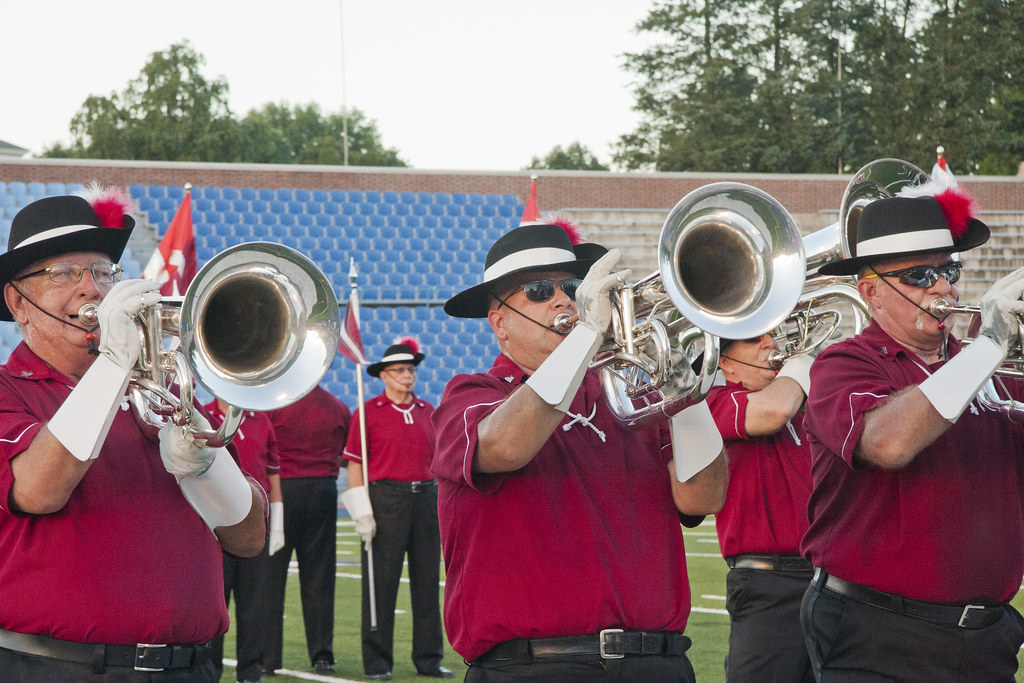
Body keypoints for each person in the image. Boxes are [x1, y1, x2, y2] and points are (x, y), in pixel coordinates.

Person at [432, 216, 729, 682]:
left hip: (656, 663)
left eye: (571, 285)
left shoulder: (629, 394)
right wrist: (587, 333)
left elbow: (703, 498)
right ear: (500, 323)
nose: (562, 299)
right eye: (537, 291)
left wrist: (683, 388)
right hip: (536, 667)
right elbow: (506, 446)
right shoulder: (471, 395)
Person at [0, 189, 266, 682]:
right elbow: (38, 490)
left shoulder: (166, 388)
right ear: (19, 302)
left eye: (103, 272)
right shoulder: (7, 389)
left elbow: (250, 538)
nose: (92, 289)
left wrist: (207, 469)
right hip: (56, 669)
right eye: (64, 273)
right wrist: (114, 363)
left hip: (190, 668)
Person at [800, 184, 1024, 681]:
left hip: (988, 638)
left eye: (949, 272)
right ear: (871, 291)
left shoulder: (992, 368)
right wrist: (990, 346)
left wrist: (990, 355)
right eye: (920, 276)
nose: (943, 289)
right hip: (878, 633)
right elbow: (888, 443)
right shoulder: (843, 364)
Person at [706, 333, 814, 682]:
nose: (771, 343)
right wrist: (799, 366)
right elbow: (774, 410)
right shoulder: (714, 400)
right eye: (754, 338)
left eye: (772, 334)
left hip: (833, 578)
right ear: (723, 361)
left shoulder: (805, 400)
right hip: (769, 583)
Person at [341, 337, 451, 681]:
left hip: (426, 499)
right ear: (384, 375)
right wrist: (361, 511)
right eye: (401, 370)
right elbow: (355, 464)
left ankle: (429, 659)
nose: (408, 375)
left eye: (411, 369)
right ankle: (377, 662)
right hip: (385, 499)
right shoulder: (367, 413)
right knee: (381, 583)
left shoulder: (428, 411)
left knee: (426, 583)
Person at [263, 383, 351, 675]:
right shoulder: (337, 406)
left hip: (283, 489)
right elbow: (344, 452)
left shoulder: (275, 401)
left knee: (271, 576)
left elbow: (265, 446)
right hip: (322, 488)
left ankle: (266, 656)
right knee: (320, 578)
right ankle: (322, 655)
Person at [205, 398, 284, 683]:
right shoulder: (202, 416)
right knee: (216, 603)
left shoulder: (262, 421)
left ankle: (250, 671)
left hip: (254, 524)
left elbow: (272, 475)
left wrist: (278, 524)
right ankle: (210, 669)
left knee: (254, 603)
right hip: (216, 524)